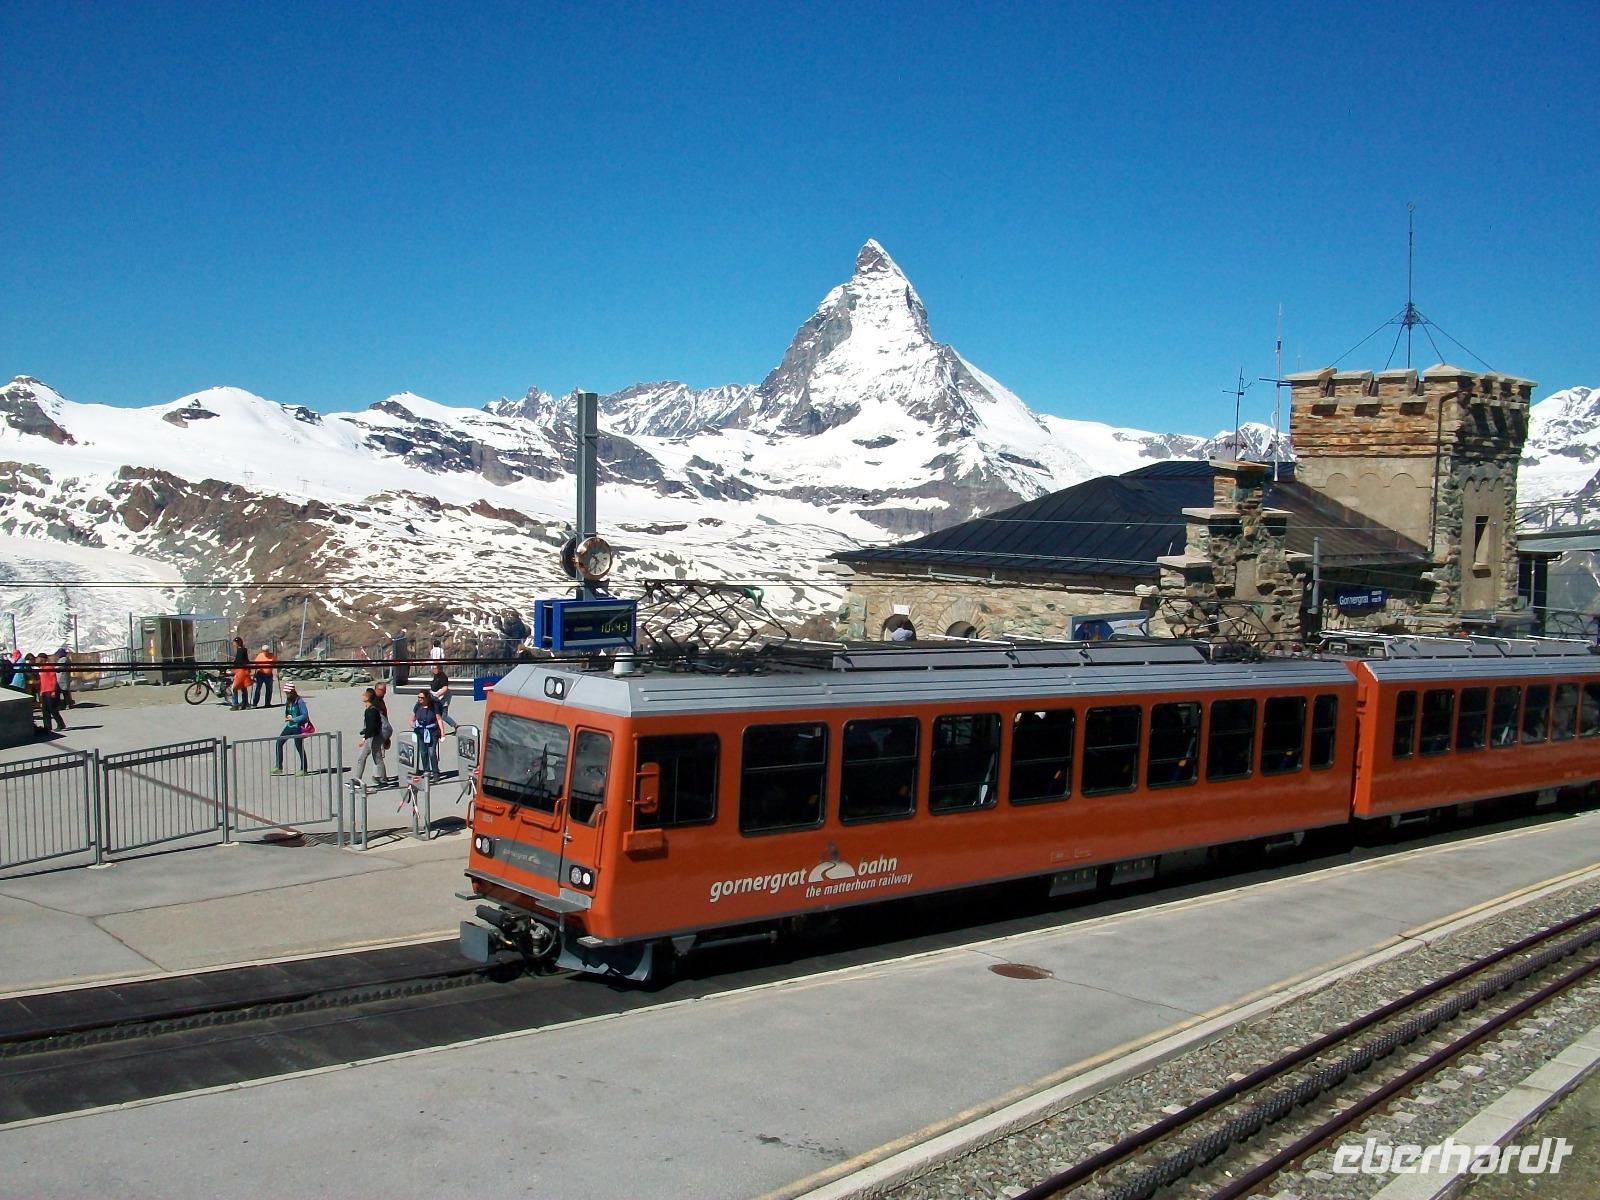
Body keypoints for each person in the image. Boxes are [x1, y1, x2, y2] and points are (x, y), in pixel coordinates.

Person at [351, 687, 388, 787]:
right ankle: (357, 779)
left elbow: (372, 727)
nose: (362, 695)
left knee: (377, 758)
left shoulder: (372, 711)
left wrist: (364, 738)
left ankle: (382, 780)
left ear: (367, 698)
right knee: (361, 757)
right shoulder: (368, 709)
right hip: (369, 737)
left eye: (364, 694)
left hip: (374, 738)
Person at [272, 682, 311, 775]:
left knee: (299, 747)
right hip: (289, 726)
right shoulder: (289, 701)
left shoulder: (299, 701)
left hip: (297, 727)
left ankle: (303, 769)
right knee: (279, 742)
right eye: (286, 692)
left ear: (292, 691)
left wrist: (294, 719)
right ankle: (278, 766)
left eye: (288, 692)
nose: (286, 694)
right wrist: (288, 717)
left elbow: (305, 715)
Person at [412, 688, 443, 780]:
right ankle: (427, 771)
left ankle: (436, 773)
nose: (419, 699)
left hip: (432, 732)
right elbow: (413, 717)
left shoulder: (433, 706)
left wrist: (442, 733)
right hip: (420, 732)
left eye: (422, 697)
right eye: (418, 697)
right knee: (423, 752)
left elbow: (439, 719)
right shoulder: (418, 706)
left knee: (431, 752)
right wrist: (413, 724)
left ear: (427, 698)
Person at [372, 682, 396, 786]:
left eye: (385, 690)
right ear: (376, 689)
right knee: (378, 755)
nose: (385, 692)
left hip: (382, 731)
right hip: (378, 731)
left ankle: (381, 777)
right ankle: (380, 776)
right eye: (382, 690)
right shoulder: (375, 702)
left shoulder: (380, 700)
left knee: (378, 755)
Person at [36, 654, 66, 732]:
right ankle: (47, 726)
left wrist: (53, 690)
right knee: (45, 710)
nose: (37, 660)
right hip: (44, 691)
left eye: (38, 658)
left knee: (52, 709)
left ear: (42, 659)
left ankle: (61, 724)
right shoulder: (41, 668)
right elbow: (42, 681)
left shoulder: (49, 666)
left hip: (50, 690)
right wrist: (41, 691)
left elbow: (53, 679)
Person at [429, 664, 459, 732]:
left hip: (442, 699)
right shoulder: (436, 676)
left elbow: (445, 688)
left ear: (439, 669)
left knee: (443, 716)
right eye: (432, 668)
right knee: (435, 714)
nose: (433, 670)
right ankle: (436, 729)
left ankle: (456, 726)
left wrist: (438, 694)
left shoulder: (443, 676)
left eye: (435, 668)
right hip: (435, 698)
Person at [252, 644, 276, 708]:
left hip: (269, 675)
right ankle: (255, 703)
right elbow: (255, 664)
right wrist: (256, 669)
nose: (266, 652)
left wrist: (276, 671)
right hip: (260, 674)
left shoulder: (272, 656)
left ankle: (267, 703)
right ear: (262, 651)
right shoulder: (260, 656)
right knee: (257, 689)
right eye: (264, 651)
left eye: (267, 650)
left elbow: (275, 663)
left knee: (269, 689)